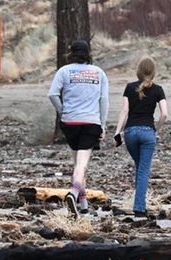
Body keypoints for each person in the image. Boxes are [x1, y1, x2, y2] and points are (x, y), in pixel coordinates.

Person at [47, 39, 110, 217]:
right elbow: (104, 101)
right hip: (91, 122)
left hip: (70, 122)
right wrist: (102, 125)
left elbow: (52, 94)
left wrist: (63, 111)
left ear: (71, 54)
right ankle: (73, 194)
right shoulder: (99, 73)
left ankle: (83, 205)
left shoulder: (64, 71)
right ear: (88, 53)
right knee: (82, 164)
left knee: (77, 164)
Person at [112, 56, 169, 217]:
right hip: (147, 132)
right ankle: (139, 207)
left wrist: (117, 131)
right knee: (143, 170)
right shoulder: (158, 89)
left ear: (138, 71)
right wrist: (156, 129)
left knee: (140, 168)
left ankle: (138, 203)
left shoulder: (129, 87)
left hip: (130, 132)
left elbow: (124, 111)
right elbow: (164, 114)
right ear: (153, 72)